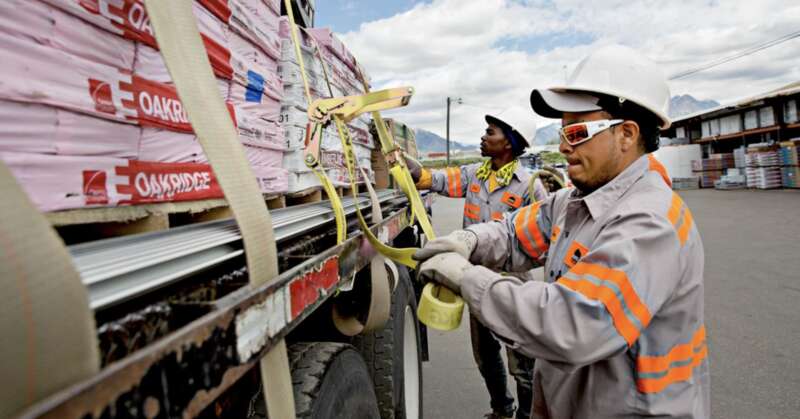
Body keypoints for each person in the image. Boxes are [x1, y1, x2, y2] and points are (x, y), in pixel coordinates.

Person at [414, 45, 709, 418]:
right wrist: (468, 240)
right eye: (563, 131)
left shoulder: (650, 223)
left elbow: (569, 325)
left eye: (578, 131)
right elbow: (514, 232)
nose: (563, 145)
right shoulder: (575, 201)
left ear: (627, 134)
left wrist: (466, 278)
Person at [408, 115, 536, 419]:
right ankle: (502, 409)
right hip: (475, 280)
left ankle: (527, 415)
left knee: (522, 363)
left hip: (512, 285)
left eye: (490, 133)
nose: (483, 137)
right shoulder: (474, 175)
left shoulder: (530, 185)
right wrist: (415, 173)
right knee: (485, 354)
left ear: (508, 142)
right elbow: (438, 180)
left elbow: (545, 231)